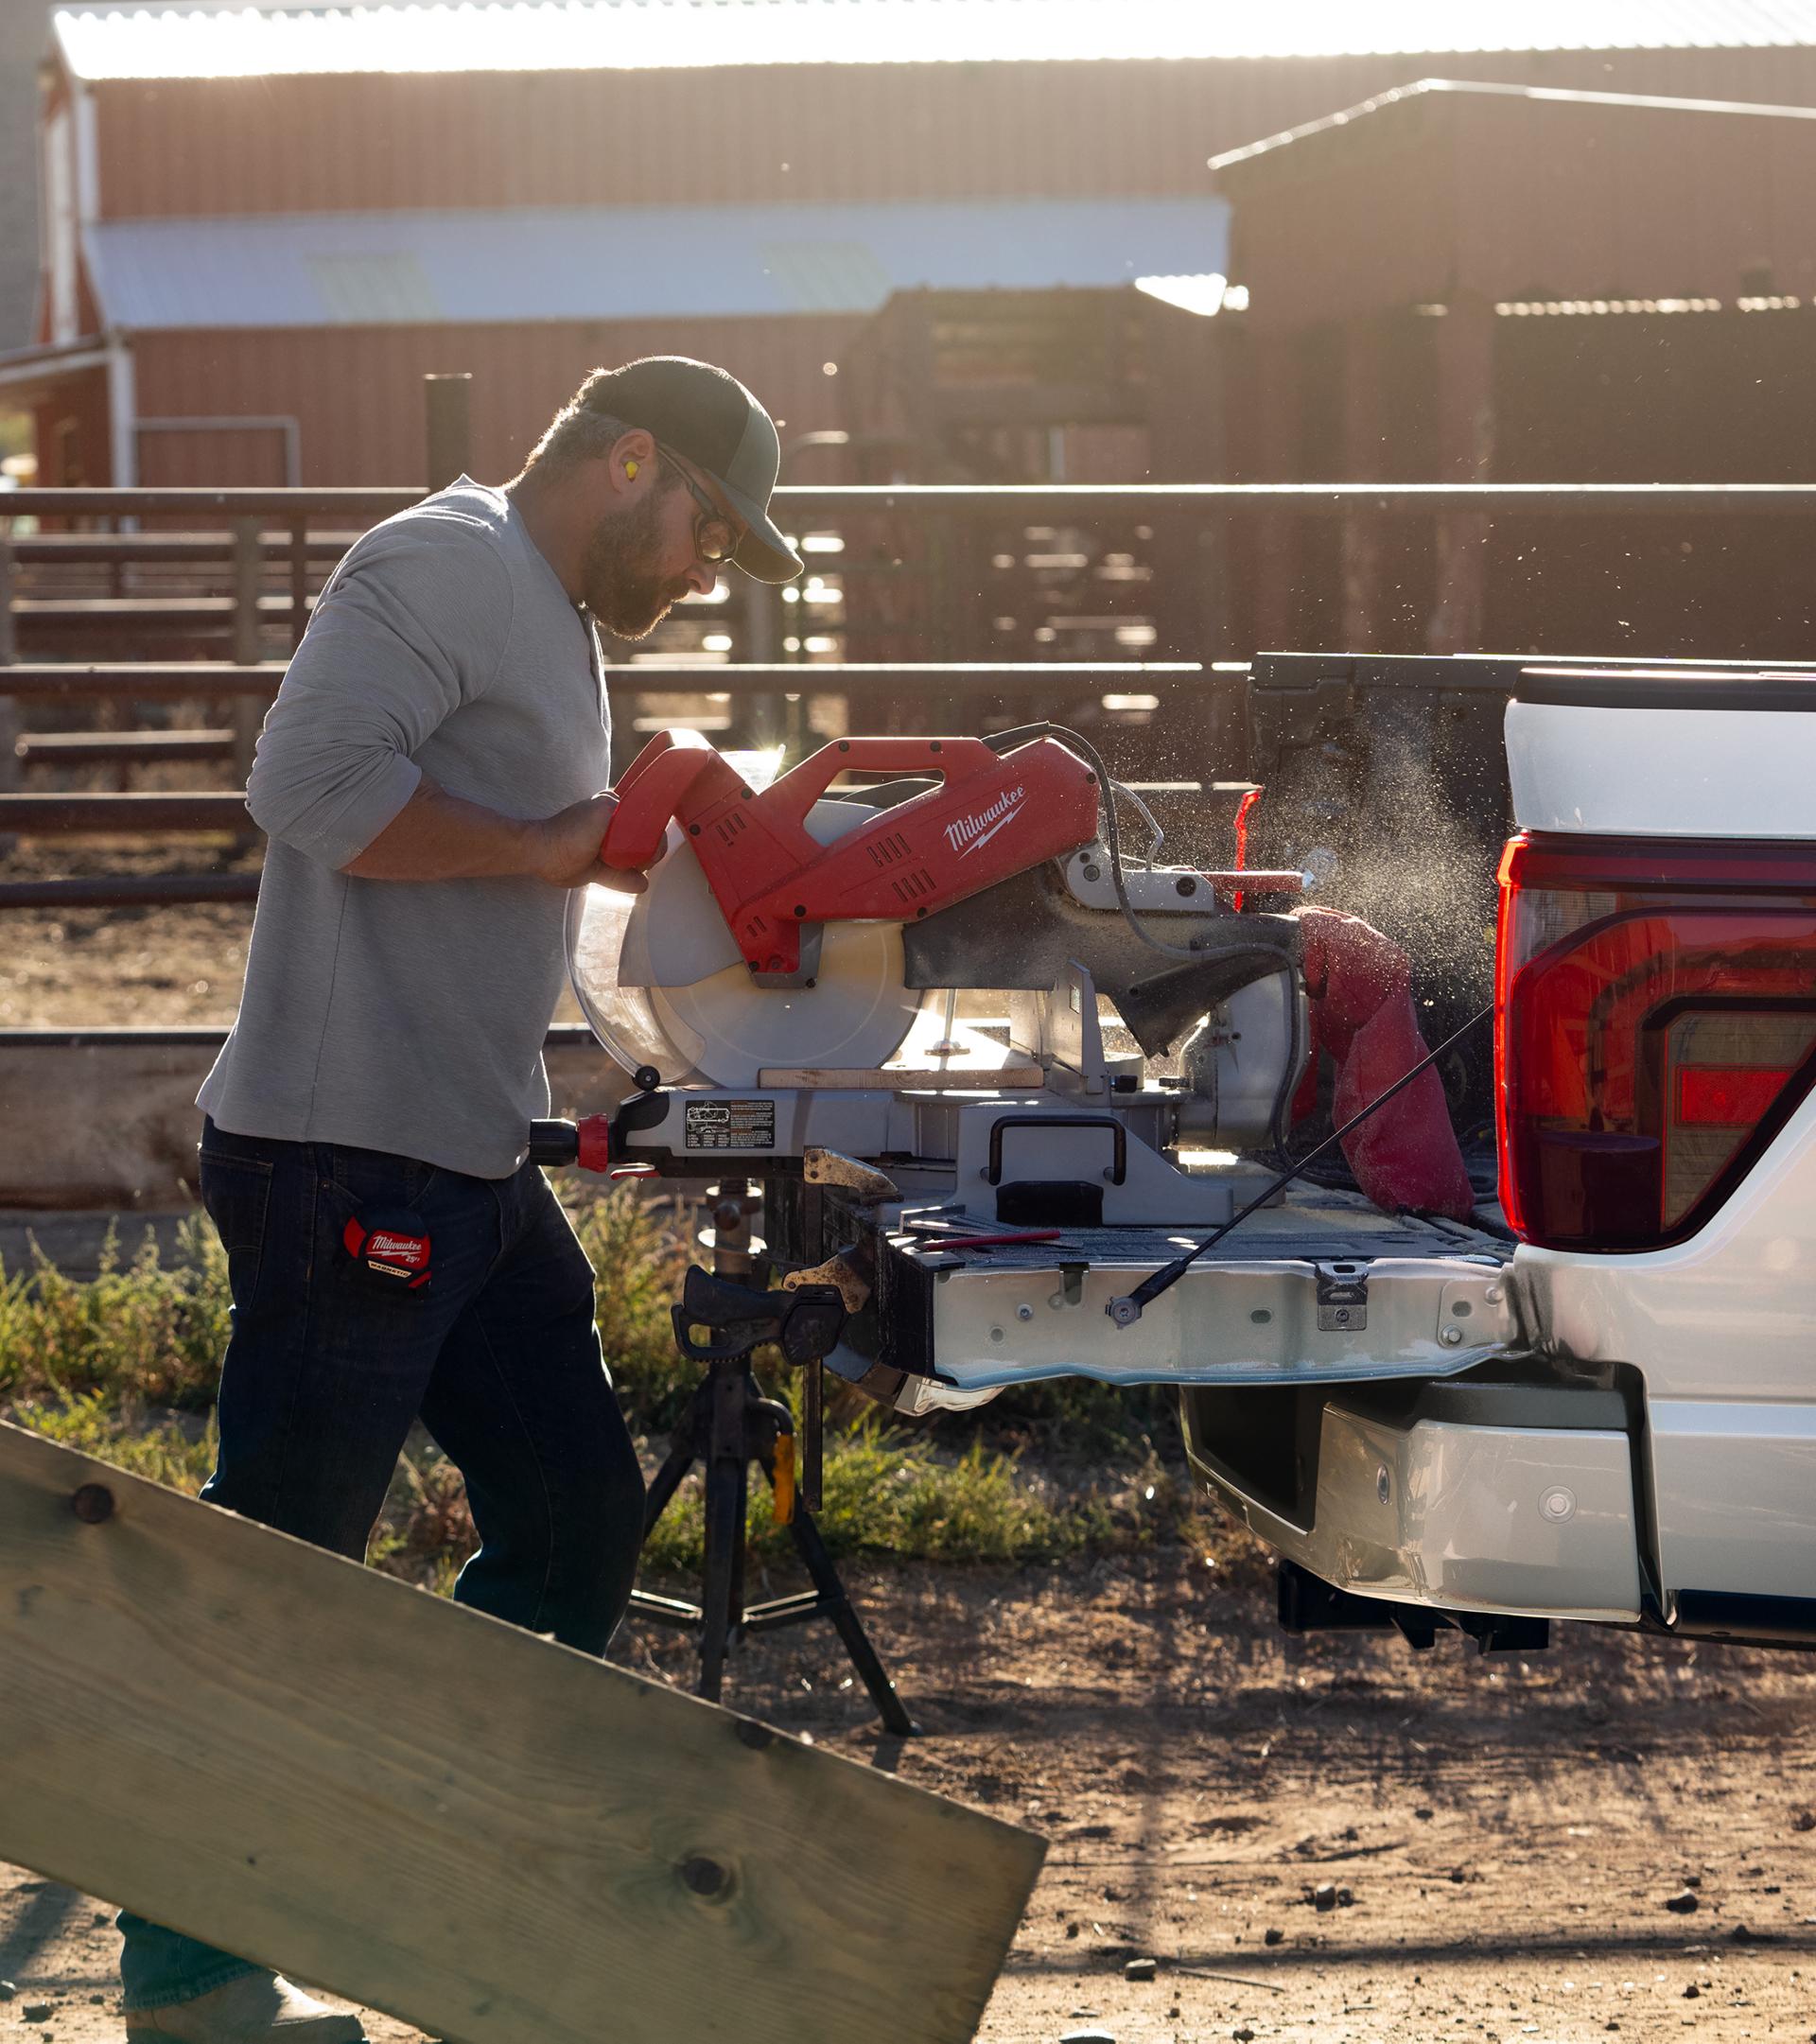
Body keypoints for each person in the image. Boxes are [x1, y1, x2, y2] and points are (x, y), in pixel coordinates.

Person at [117, 358, 804, 2042]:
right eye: (704, 527)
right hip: (342, 1153)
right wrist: (563, 843)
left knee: (575, 1523)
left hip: (468, 1153)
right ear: (626, 457)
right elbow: (312, 793)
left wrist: (636, 1022)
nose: (706, 568)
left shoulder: (554, 611)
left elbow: (527, 852)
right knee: (282, 1571)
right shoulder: (439, 559)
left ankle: (425, 1879)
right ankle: (190, 1986)